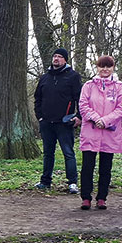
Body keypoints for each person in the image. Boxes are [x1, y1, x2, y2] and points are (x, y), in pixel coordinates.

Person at [77, 55, 122, 210]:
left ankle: (102, 198)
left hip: (109, 133)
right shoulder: (88, 85)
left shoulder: (119, 86)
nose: (105, 69)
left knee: (106, 167)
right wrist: (96, 119)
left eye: (108, 66)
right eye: (102, 66)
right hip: (91, 131)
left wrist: (105, 121)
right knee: (87, 166)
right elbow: (83, 105)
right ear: (97, 67)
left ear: (113, 68)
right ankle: (86, 197)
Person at [34, 48, 82, 194]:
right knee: (48, 153)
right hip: (47, 122)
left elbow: (79, 98)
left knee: (68, 152)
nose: (56, 59)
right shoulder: (44, 78)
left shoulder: (73, 76)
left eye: (60, 57)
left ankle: (72, 183)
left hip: (64, 123)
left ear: (65, 60)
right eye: (54, 56)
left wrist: (79, 116)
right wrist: (40, 117)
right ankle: (45, 181)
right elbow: (38, 98)